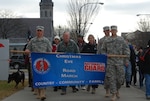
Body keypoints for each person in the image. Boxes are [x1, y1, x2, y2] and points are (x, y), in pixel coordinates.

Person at [101, 25, 130, 101]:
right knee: (111, 78)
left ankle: (117, 89)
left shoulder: (121, 40)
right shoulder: (107, 40)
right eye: (112, 30)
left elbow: (126, 50)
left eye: (114, 30)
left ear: (116, 31)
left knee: (120, 79)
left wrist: (126, 60)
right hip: (110, 62)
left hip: (119, 62)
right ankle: (113, 94)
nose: (113, 32)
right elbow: (103, 50)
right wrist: (105, 55)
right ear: (110, 31)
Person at [25, 26, 52, 100]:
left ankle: (42, 93)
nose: (39, 32)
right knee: (35, 77)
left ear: (43, 32)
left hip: (44, 62)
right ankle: (38, 91)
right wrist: (27, 51)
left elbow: (50, 50)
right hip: (34, 62)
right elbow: (27, 48)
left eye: (40, 31)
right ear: (36, 31)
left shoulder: (46, 41)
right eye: (38, 31)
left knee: (43, 77)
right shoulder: (32, 41)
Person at [97, 26, 110, 97]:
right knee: (106, 77)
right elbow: (99, 50)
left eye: (108, 31)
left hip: (114, 60)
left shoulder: (114, 39)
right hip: (105, 60)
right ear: (104, 32)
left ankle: (116, 91)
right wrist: (98, 58)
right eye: (106, 31)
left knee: (115, 77)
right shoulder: (101, 40)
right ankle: (107, 91)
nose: (107, 32)